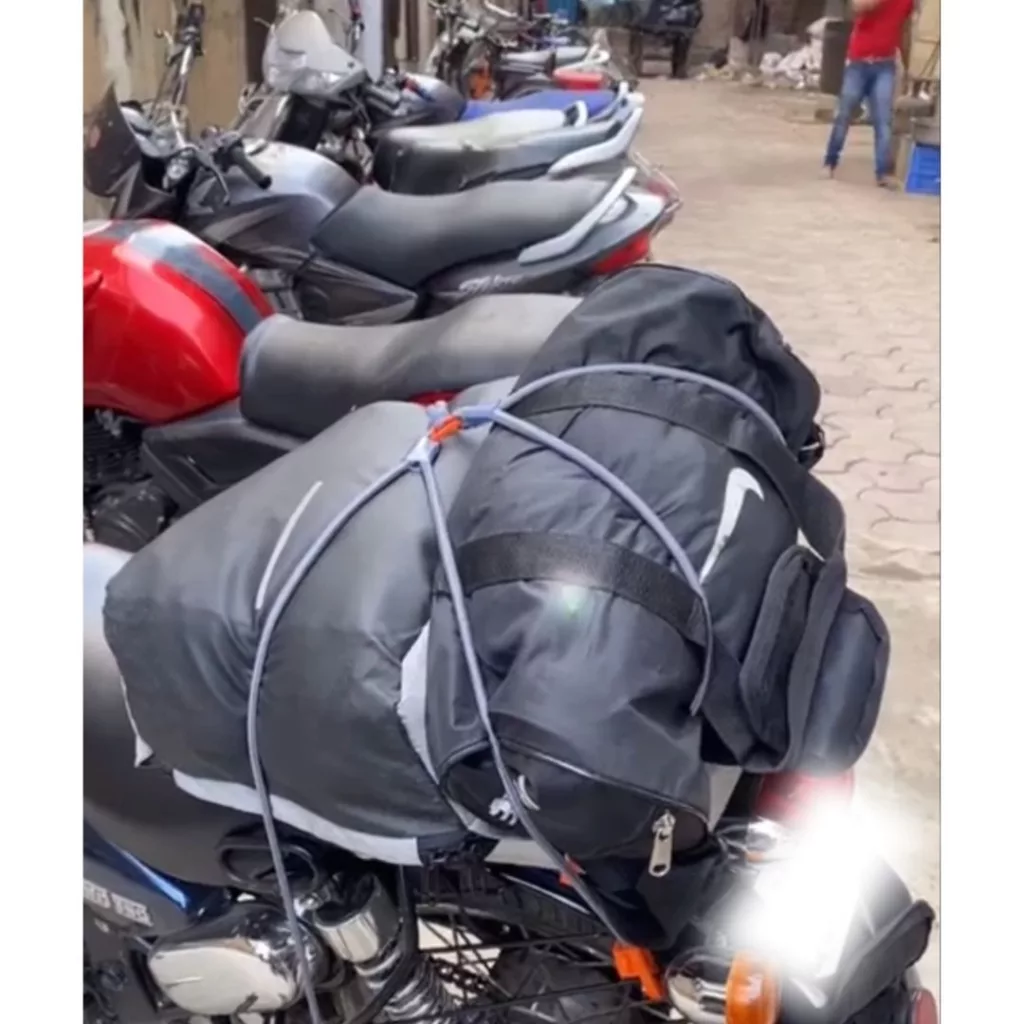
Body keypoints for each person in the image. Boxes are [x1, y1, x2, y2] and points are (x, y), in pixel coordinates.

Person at [823, 0, 915, 186]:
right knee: (844, 115)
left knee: (883, 120)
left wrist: (907, 63)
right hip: (859, 62)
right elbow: (857, 6)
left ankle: (882, 172)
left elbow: (905, 31)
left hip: (885, 64)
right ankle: (830, 162)